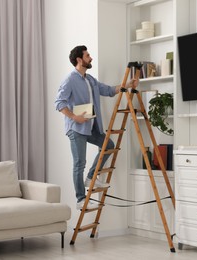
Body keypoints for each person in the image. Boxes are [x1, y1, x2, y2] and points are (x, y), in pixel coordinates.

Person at [55, 45, 139, 210]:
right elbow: (59, 103)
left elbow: (108, 90)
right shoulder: (70, 80)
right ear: (79, 59)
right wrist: (74, 117)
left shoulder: (90, 79)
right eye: (87, 55)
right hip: (76, 128)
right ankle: (80, 199)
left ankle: (92, 176)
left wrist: (127, 85)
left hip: (91, 126)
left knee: (109, 145)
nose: (90, 57)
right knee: (79, 162)